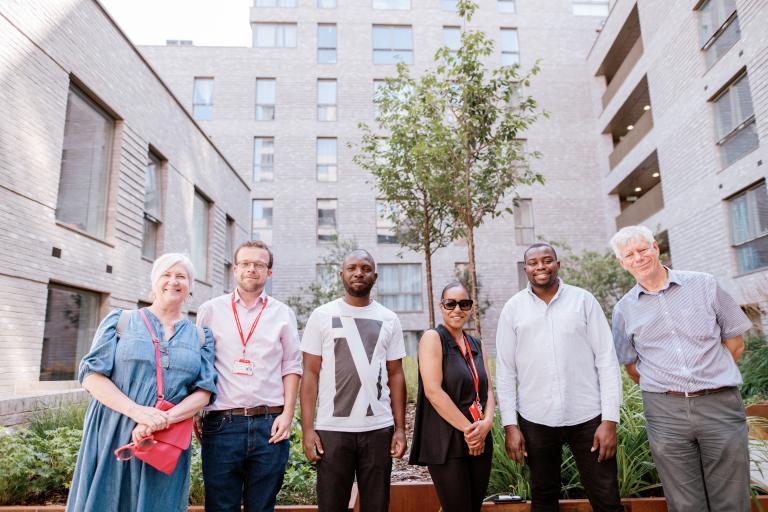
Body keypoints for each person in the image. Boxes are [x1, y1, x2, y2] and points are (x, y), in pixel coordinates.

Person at [610, 225, 752, 512]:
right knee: (684, 503)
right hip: (665, 413)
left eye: (643, 249)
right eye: (629, 254)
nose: (638, 258)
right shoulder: (623, 310)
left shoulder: (705, 285)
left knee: (732, 499)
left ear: (656, 248)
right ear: (621, 263)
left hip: (719, 403)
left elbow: (735, 343)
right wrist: (670, 387)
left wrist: (708, 378)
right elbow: (632, 367)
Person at [67, 253, 216, 512]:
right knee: (108, 499)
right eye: (166, 275)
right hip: (114, 428)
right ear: (154, 282)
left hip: (165, 437)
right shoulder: (121, 321)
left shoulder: (201, 336)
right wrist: (138, 413)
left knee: (159, 503)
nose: (173, 281)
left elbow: (204, 393)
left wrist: (162, 420)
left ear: (190, 286)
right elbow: (91, 376)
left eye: (181, 276)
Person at [496, 243, 623, 512]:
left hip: (588, 415)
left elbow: (607, 360)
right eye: (533, 262)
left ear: (557, 264)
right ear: (526, 268)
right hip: (536, 417)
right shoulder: (513, 309)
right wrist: (510, 425)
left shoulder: (583, 300)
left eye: (547, 260)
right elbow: (505, 370)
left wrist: (610, 420)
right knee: (543, 496)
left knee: (607, 496)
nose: (540, 266)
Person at [196, 240, 302, 512]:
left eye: (259, 264)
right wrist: (195, 412)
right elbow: (199, 364)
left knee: (262, 506)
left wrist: (288, 414)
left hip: (270, 425)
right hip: (222, 424)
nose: (251, 269)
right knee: (220, 506)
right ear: (234, 269)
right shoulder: (210, 310)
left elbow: (291, 366)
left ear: (269, 272)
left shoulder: (282, 313)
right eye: (245, 263)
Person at [300, 249, 407, 512]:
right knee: (331, 506)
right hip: (333, 430)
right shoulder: (322, 315)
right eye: (352, 268)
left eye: (365, 268)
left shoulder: (389, 319)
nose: (359, 273)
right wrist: (307, 430)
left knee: (377, 506)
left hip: (378, 429)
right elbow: (310, 374)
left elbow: (396, 374)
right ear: (341, 275)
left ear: (375, 276)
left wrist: (401, 428)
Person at [410, 282, 495, 512]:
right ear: (441, 306)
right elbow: (433, 392)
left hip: (479, 439)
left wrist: (486, 424)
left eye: (464, 303)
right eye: (451, 303)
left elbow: (487, 390)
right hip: (447, 439)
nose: (457, 309)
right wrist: (471, 431)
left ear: (470, 307)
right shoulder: (432, 338)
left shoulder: (477, 344)